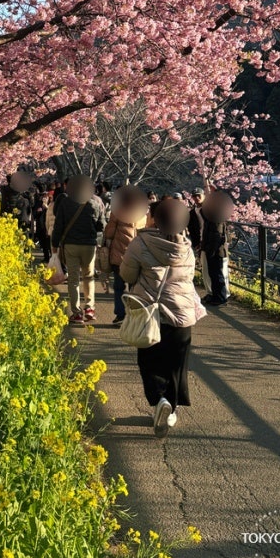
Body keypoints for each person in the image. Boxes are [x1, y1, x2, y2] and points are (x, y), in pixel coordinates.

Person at [120, 198, 197, 438]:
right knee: (176, 364)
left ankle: (158, 399)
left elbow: (126, 273)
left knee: (150, 360)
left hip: (149, 314)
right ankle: (171, 409)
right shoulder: (187, 247)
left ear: (155, 218)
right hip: (182, 315)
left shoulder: (140, 242)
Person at [52, 174, 107, 325]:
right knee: (89, 277)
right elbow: (101, 226)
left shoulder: (65, 203)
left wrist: (55, 245)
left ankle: (76, 313)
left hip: (70, 245)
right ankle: (89, 308)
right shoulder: (94, 204)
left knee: (74, 279)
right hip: (89, 245)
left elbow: (58, 226)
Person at [104, 186, 149, 325]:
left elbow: (109, 233)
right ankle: (134, 316)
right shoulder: (142, 213)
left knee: (119, 286)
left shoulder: (118, 212)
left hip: (119, 254)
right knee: (134, 286)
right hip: (136, 254)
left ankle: (121, 315)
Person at [200, 190, 236, 306]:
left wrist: (210, 251)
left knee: (217, 275)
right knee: (214, 275)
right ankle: (215, 295)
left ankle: (220, 298)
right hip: (213, 251)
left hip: (216, 252)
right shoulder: (214, 218)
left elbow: (216, 236)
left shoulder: (217, 220)